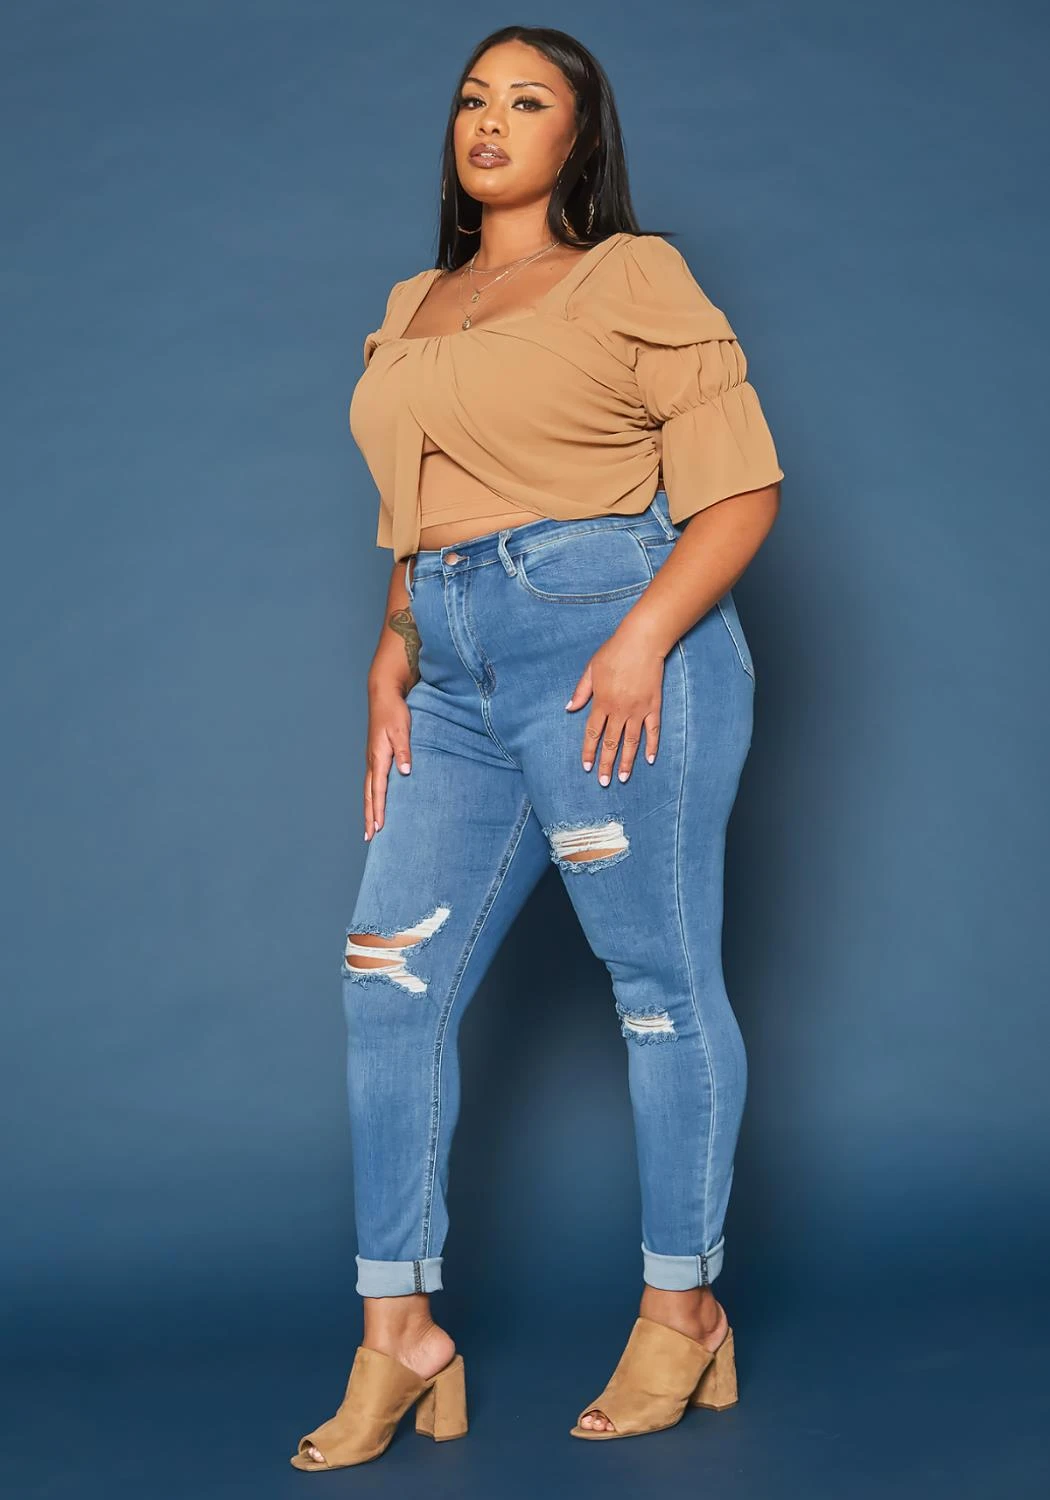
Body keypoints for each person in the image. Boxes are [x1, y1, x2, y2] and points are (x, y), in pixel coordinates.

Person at [290, 23, 783, 1471]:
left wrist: (642, 639)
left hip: (607, 645)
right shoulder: (416, 301)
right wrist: (392, 650)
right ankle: (399, 1337)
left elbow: (740, 493)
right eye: (472, 99)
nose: (490, 121)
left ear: (579, 137)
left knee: (657, 987)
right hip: (449, 672)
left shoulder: (631, 275)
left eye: (527, 101)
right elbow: (420, 514)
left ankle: (683, 1309)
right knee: (386, 984)